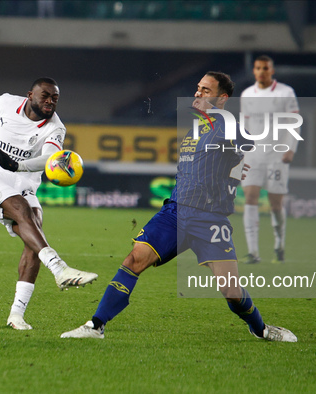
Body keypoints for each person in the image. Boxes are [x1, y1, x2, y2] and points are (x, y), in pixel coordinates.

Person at [61, 72, 297, 342]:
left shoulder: (225, 123)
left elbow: (247, 142)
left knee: (230, 290)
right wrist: (232, 166)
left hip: (209, 219)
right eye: (197, 88)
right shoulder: (196, 128)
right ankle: (96, 325)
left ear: (222, 98)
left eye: (206, 90)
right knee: (134, 260)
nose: (197, 93)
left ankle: (261, 328)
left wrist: (237, 160)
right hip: (174, 212)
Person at [0, 77, 98, 330]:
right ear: (30, 95)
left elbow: (48, 159)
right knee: (22, 211)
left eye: (55, 98)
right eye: (45, 96)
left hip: (23, 182)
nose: (50, 102)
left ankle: (16, 315)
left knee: (34, 235)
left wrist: (16, 165)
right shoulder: (5, 103)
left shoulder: (55, 128)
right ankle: (60, 269)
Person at [239, 55, 300, 264]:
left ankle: (279, 244)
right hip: (253, 155)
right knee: (250, 197)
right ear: (254, 71)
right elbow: (244, 127)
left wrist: (291, 148)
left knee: (275, 204)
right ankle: (254, 252)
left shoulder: (286, 92)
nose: (261, 71)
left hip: (277, 155)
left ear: (271, 71)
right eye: (258, 68)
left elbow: (294, 122)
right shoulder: (247, 94)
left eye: (265, 68)